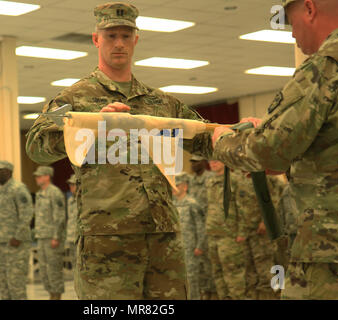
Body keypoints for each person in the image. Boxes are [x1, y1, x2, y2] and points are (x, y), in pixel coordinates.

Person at [26, 2, 214, 299]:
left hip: (162, 238)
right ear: (96, 39)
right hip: (107, 242)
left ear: (136, 40)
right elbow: (36, 146)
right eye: (111, 35)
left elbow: (207, 136)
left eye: (126, 36)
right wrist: (91, 125)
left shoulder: (162, 103)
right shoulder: (72, 99)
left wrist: (243, 131)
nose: (119, 43)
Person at [212, 0, 338, 299]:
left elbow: (268, 150)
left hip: (331, 254)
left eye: (290, 22)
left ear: (310, 9)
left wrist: (223, 141)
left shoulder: (324, 69)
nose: (291, 35)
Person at [231, 170, 284, 300]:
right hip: (247, 230)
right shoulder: (238, 177)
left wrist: (265, 221)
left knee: (267, 269)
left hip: (263, 232)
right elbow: (239, 206)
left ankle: (276, 296)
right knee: (250, 274)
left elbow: (273, 198)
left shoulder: (262, 172)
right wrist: (240, 231)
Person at [0, 160, 33, 300]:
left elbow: (27, 213)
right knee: (4, 284)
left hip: (15, 245)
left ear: (7, 172)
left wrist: (18, 237)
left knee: (16, 284)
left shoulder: (18, 189)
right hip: (1, 243)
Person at [205, 161, 249, 300]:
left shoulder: (235, 179)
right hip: (213, 234)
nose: (213, 163)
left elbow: (243, 207)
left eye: (217, 160)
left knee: (233, 275)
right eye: (210, 160)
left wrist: (242, 232)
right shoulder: (210, 181)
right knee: (217, 274)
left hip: (229, 235)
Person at [172, 173, 207, 300]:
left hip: (191, 249)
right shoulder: (173, 204)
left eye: (177, 185)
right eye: (173, 186)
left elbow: (201, 226)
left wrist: (200, 246)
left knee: (192, 280)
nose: (174, 188)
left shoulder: (192, 203)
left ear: (185, 187)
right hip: (178, 249)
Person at [33, 166, 66, 300]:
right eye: (36, 176)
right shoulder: (39, 194)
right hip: (41, 236)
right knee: (43, 270)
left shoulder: (55, 193)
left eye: (39, 176)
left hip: (52, 238)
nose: (37, 178)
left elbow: (60, 217)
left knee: (54, 269)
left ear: (47, 176)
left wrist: (56, 237)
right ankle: (51, 294)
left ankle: (56, 296)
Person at [187, 154, 216, 299]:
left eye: (196, 162)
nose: (193, 165)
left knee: (209, 264)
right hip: (194, 227)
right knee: (197, 266)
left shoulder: (211, 178)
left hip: (210, 225)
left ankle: (212, 294)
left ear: (204, 163)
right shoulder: (190, 180)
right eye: (191, 162)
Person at [65, 174, 79, 272]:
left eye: (73, 184)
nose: (71, 187)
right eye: (70, 185)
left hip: (80, 239)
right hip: (71, 237)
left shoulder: (84, 200)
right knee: (74, 264)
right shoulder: (70, 200)